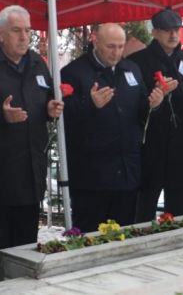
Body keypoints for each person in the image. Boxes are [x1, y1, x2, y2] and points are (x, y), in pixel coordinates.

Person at [0, 6, 64, 285]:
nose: (24, 36)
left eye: (28, 30)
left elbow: (45, 98)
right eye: (17, 30)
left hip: (30, 175)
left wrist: (50, 108)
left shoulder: (36, 63)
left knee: (25, 253)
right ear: (0, 34)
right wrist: (0, 116)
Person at [61, 23, 164, 232]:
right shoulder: (74, 72)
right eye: (110, 46)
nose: (116, 52)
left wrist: (154, 103)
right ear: (95, 41)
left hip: (127, 173)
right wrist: (90, 105)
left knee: (123, 238)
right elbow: (61, 117)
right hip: (92, 178)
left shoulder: (132, 69)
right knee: (91, 239)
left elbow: (140, 112)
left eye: (120, 46)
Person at [128, 9, 183, 222]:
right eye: (167, 31)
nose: (173, 35)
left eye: (177, 30)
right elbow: (133, 106)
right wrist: (154, 100)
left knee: (179, 208)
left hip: (181, 140)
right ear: (154, 32)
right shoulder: (138, 61)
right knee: (144, 205)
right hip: (151, 141)